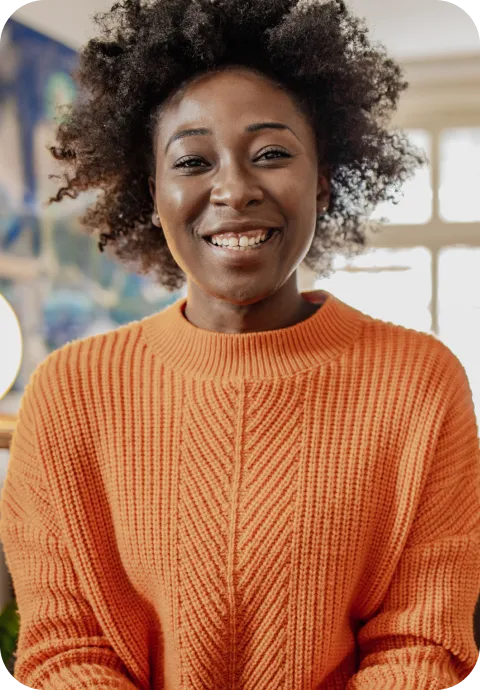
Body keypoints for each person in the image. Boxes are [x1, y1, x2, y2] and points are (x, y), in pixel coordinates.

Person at [1, 1, 479, 688]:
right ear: (152, 190)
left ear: (323, 177)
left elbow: (419, 645)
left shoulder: (420, 383)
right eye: (192, 160)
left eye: (272, 153)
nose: (234, 187)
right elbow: (65, 649)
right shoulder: (69, 392)